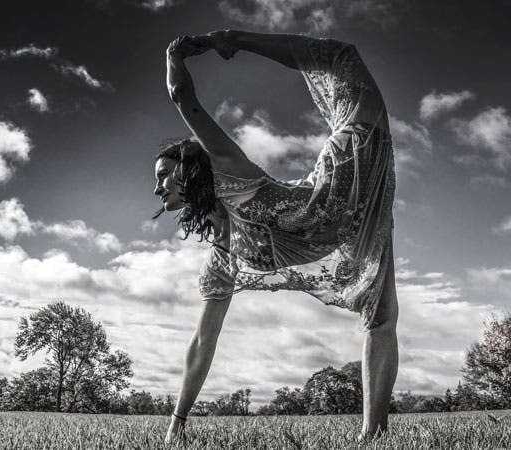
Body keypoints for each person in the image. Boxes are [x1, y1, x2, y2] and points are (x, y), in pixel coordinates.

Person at [154, 30, 398, 441]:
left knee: (340, 57)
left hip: (350, 166)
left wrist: (174, 54)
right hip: (354, 221)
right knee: (381, 315)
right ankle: (373, 436)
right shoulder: (222, 260)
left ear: (189, 167)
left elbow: (182, 97)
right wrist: (176, 425)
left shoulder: (230, 172)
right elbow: (202, 343)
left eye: (163, 175)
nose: (158, 188)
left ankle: (234, 37)